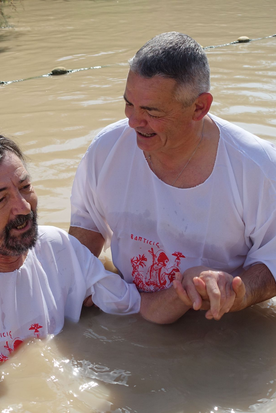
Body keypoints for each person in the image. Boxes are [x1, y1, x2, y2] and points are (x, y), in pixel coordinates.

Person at [0, 135, 189, 366]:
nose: (23, 207)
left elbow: (139, 307)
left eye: (25, 188)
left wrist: (192, 287)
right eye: (0, 200)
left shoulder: (57, 250)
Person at [69, 31, 276, 321]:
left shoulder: (256, 166)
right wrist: (72, 283)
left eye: (151, 111)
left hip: (218, 322)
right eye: (129, 103)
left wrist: (242, 293)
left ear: (199, 107)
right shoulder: (107, 148)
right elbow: (87, 227)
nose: (133, 121)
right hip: (134, 306)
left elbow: (273, 258)